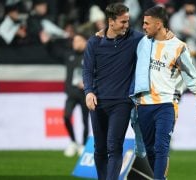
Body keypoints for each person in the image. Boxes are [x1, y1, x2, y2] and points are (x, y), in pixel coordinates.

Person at [131, 6, 196, 180]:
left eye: (147, 23)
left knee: (162, 147)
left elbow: (192, 79)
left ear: (158, 24)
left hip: (166, 105)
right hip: (144, 104)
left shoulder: (179, 48)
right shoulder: (142, 42)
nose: (144, 26)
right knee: (150, 150)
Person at [82, 3, 144, 180]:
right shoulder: (95, 42)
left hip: (122, 103)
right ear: (111, 21)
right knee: (99, 148)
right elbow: (87, 70)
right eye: (123, 22)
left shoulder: (135, 39)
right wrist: (88, 91)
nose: (126, 25)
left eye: (128, 21)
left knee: (114, 147)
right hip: (98, 101)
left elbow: (156, 36)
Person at [63, 34, 90, 157]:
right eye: (74, 41)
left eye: (78, 40)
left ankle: (83, 144)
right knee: (66, 116)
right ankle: (73, 142)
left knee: (85, 120)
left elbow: (99, 72)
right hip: (72, 94)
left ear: (85, 42)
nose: (75, 43)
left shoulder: (91, 55)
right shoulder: (70, 55)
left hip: (85, 94)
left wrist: (88, 83)